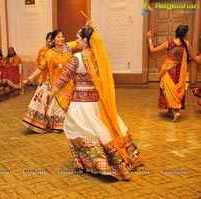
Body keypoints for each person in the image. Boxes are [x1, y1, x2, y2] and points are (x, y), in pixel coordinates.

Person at [48, 24, 143, 180]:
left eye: (78, 38)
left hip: (80, 103)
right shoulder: (98, 56)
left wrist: (52, 93)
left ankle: (96, 163)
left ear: (85, 40)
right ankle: (98, 160)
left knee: (77, 129)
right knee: (98, 128)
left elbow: (64, 78)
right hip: (96, 101)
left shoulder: (77, 58)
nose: (75, 41)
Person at [22, 30, 77, 133]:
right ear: (53, 40)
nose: (61, 39)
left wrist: (89, 28)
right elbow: (40, 68)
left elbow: (81, 41)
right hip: (54, 85)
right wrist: (29, 79)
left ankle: (66, 125)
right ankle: (55, 125)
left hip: (68, 84)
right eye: (58, 37)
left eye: (62, 36)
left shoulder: (68, 47)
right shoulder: (49, 53)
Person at [147, 25, 201, 121]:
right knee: (176, 90)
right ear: (185, 35)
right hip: (179, 71)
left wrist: (149, 39)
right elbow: (193, 58)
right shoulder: (186, 44)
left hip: (168, 70)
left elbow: (152, 50)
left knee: (167, 90)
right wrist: (199, 61)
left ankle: (176, 111)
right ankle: (170, 110)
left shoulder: (168, 43)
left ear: (175, 32)